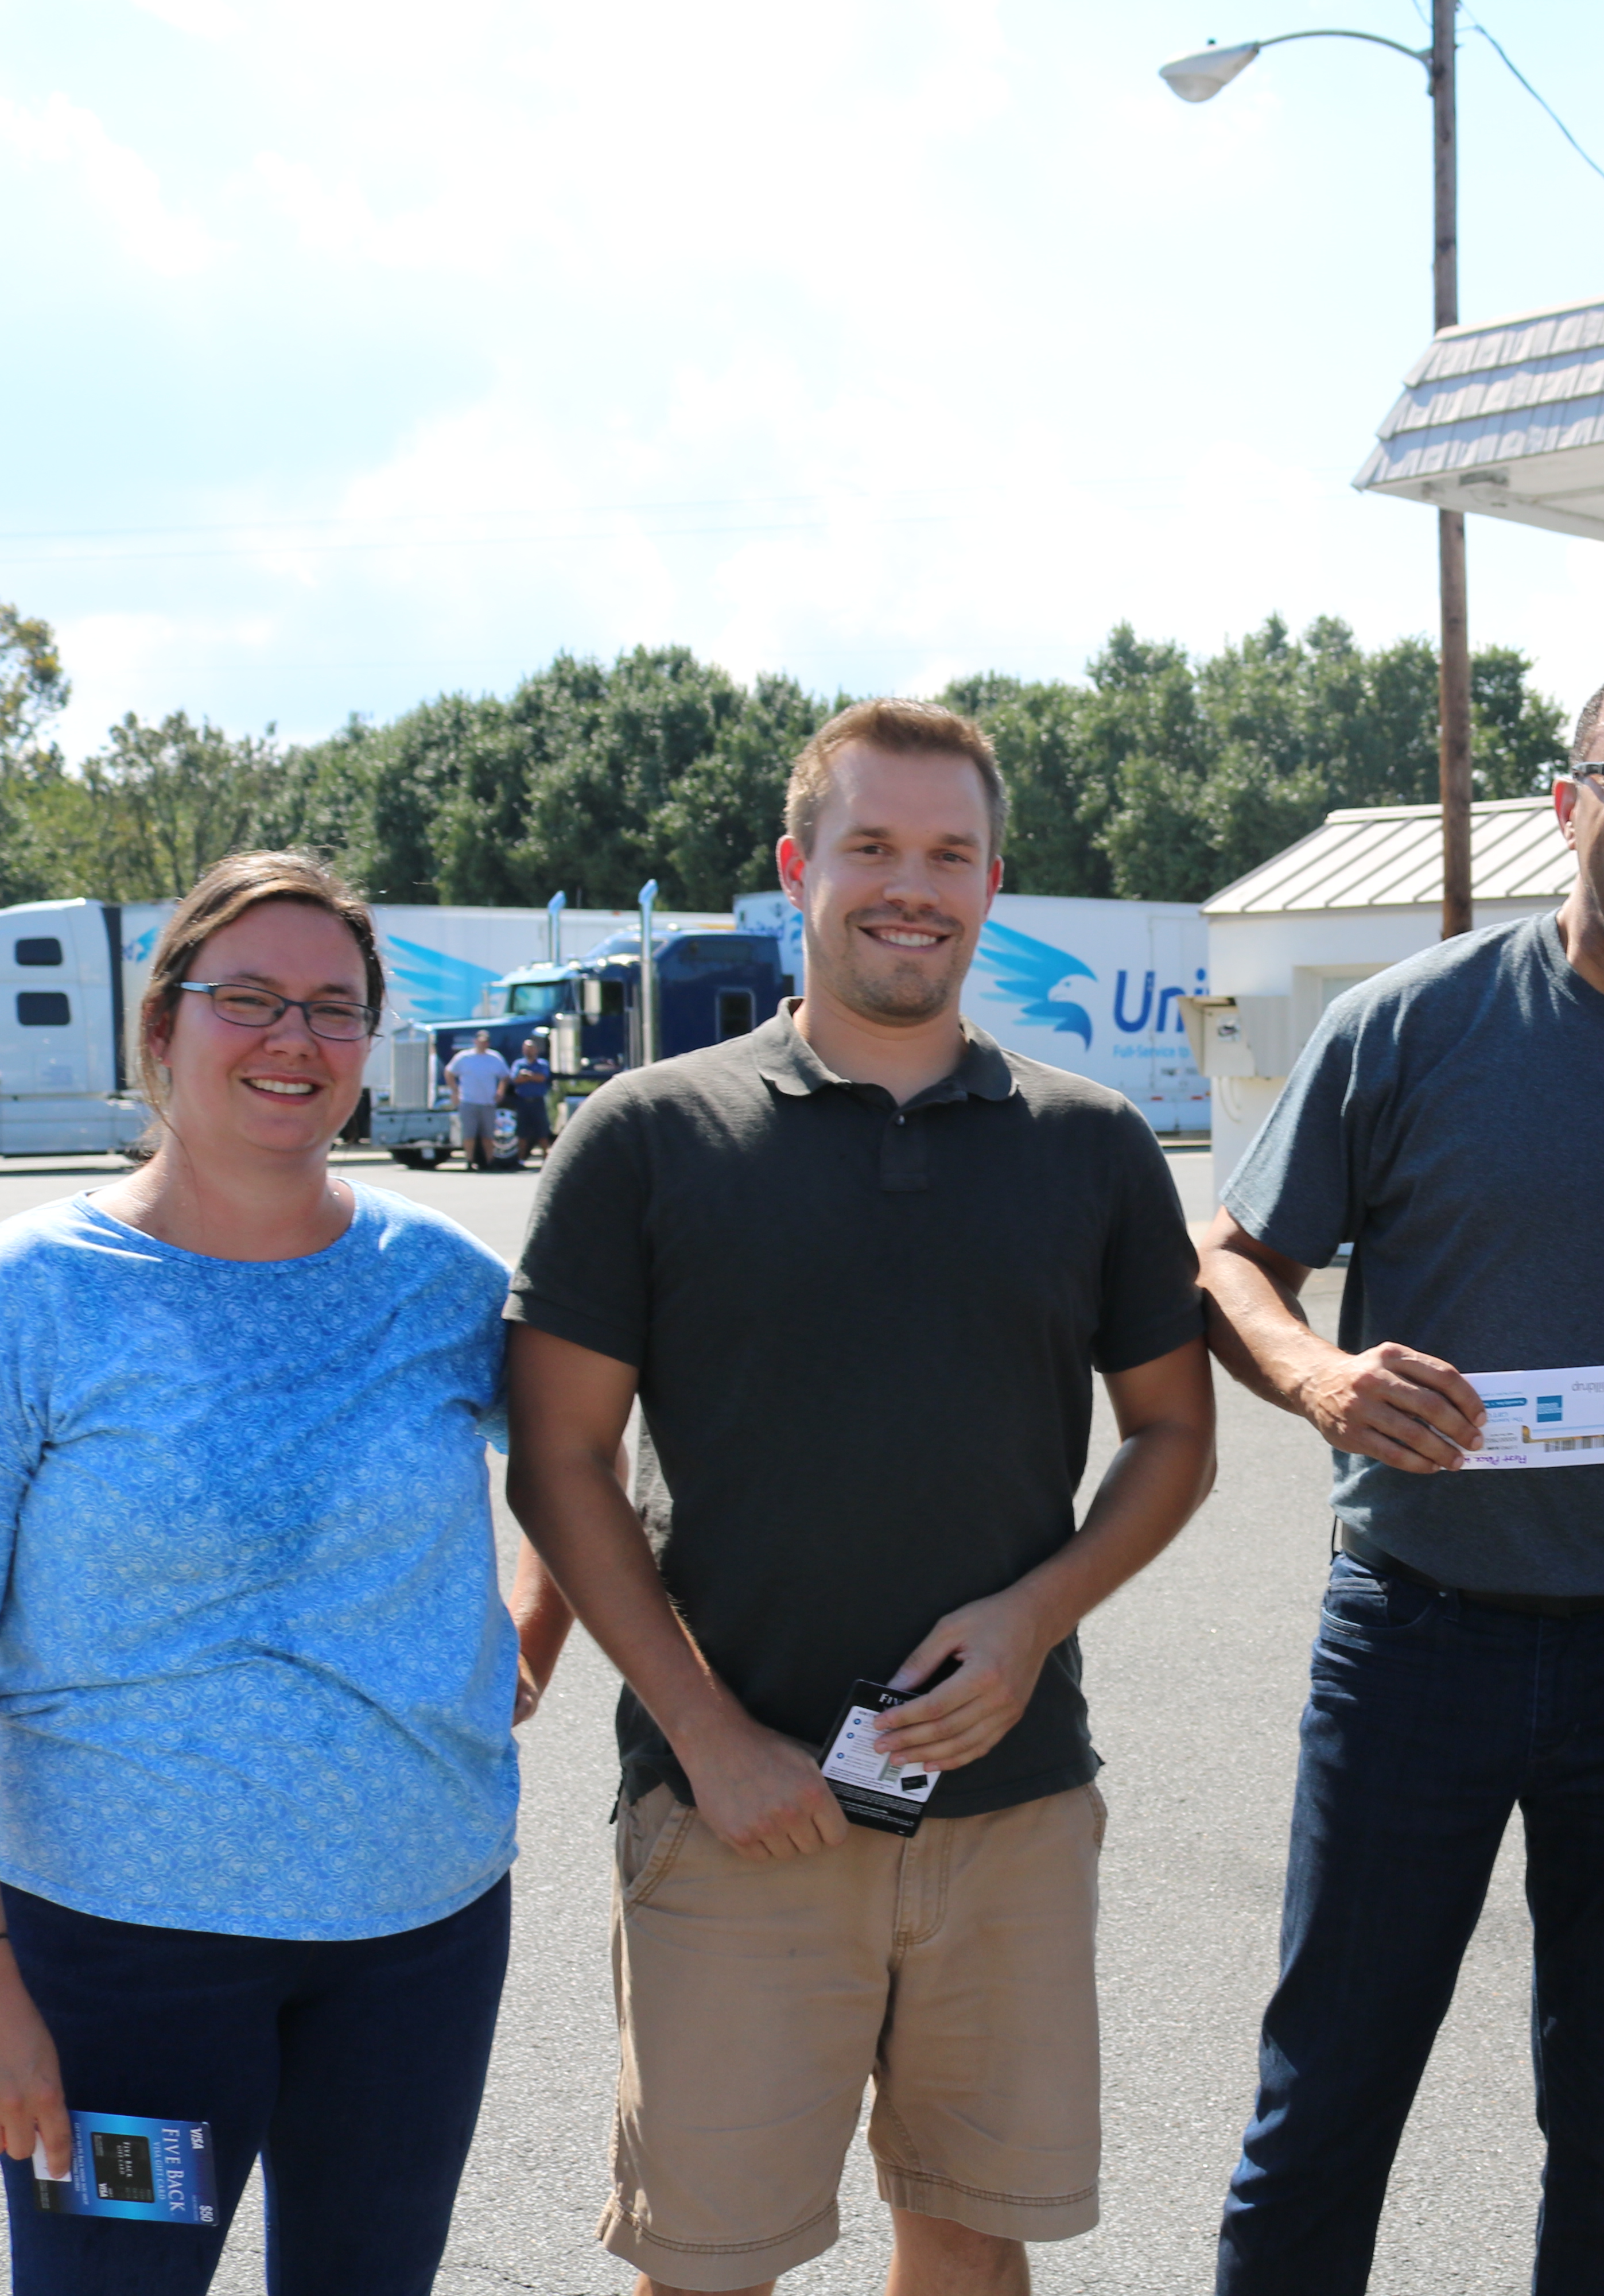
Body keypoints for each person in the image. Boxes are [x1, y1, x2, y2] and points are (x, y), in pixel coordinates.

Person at [503, 698, 1217, 2296]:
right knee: (708, 2261)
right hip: (735, 1814)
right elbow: (558, 1461)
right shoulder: (647, 1137)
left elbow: (1174, 1437)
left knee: (971, 2239)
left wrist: (1038, 1619)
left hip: (1011, 1808)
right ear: (795, 868)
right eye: (874, 846)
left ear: (992, 880)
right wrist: (708, 1739)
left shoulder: (1091, 1145)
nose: (914, 885)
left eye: (950, 853)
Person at [1202, 656, 1604, 2295]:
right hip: (1415, 1639)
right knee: (1325, 2111)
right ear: (1567, 805)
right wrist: (1318, 1375)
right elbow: (1231, 1263)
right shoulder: (1411, 1027)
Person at [0, 849, 522, 2295]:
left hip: (414, 1940)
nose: (294, 1039)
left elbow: (595, 1472)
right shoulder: (24, 1297)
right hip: (127, 1964)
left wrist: (526, 1633)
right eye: (248, 998)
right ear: (158, 1026)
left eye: (333, 1008)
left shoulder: (446, 1284)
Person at [448, 1030, 511, 1169]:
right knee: (469, 1134)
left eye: (486, 1042)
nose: (483, 1044)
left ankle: (489, 1161)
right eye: (480, 1041)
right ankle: (470, 1161)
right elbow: (449, 1072)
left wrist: (501, 1091)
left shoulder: (495, 1058)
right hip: (468, 1101)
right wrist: (455, 1091)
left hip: (488, 1102)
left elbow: (505, 1076)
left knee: (488, 1135)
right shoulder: (465, 1057)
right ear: (475, 1042)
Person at [507, 1034, 556, 1161]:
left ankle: (546, 1160)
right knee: (522, 1133)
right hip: (523, 1102)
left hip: (538, 1102)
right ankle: (521, 1160)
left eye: (531, 1048)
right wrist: (530, 1077)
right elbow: (515, 1079)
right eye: (526, 1049)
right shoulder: (519, 1064)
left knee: (542, 1133)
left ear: (536, 1050)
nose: (529, 1051)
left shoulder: (542, 1064)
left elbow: (542, 1078)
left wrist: (528, 1076)